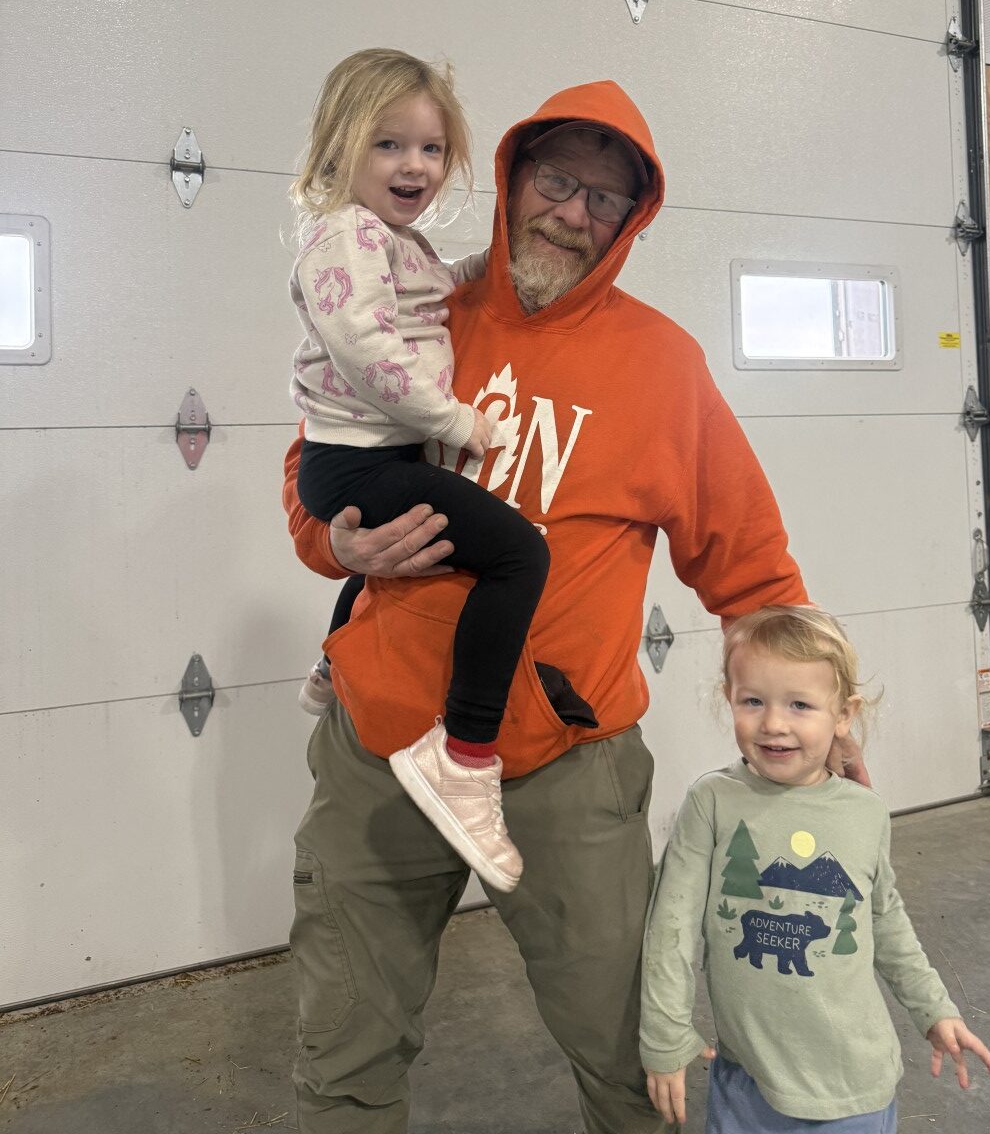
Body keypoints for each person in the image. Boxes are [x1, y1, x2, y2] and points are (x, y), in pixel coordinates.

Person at [281, 78, 837, 1133]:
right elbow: (314, 476)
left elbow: (752, 569)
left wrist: (818, 713)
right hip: (382, 746)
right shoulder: (415, 308)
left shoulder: (661, 366)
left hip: (562, 768)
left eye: (605, 199)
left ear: (631, 221)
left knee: (635, 1059)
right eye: (555, 181)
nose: (573, 214)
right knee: (343, 1054)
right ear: (510, 177)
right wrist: (337, 542)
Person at [287, 48, 552, 893]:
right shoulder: (344, 236)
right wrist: (457, 423)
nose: (415, 166)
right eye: (389, 145)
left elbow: (436, 289)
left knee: (405, 555)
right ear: (340, 148)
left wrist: (494, 263)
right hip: (353, 463)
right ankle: (465, 756)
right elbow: (366, 350)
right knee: (520, 555)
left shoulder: (392, 241)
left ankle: (331, 664)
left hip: (371, 458)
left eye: (432, 149)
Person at [640, 606, 990, 1133]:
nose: (774, 723)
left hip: (854, 1090)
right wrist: (664, 1035)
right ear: (728, 698)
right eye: (753, 701)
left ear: (843, 714)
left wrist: (935, 1009)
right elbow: (670, 928)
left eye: (800, 704)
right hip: (745, 1083)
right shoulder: (711, 802)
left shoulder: (865, 812)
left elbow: (886, 921)